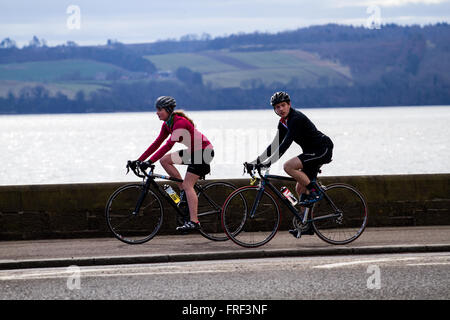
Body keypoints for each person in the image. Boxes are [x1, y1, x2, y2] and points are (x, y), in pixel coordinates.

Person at [247, 91, 333, 236]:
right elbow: (274, 145)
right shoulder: (283, 123)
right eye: (277, 107)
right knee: (300, 188)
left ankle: (314, 192)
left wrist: (270, 162)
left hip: (322, 149)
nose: (281, 109)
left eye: (283, 105)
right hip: (310, 152)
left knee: (288, 166)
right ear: (274, 110)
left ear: (289, 105)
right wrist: (256, 162)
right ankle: (307, 225)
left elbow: (286, 144)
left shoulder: (296, 118)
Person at [129, 96, 214, 231]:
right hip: (193, 151)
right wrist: (139, 160)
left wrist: (150, 161)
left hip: (203, 152)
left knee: (188, 185)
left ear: (167, 110)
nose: (157, 112)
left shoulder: (179, 123)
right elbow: (156, 144)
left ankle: (194, 221)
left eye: (159, 109)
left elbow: (168, 146)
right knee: (165, 160)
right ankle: (182, 192)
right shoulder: (167, 124)